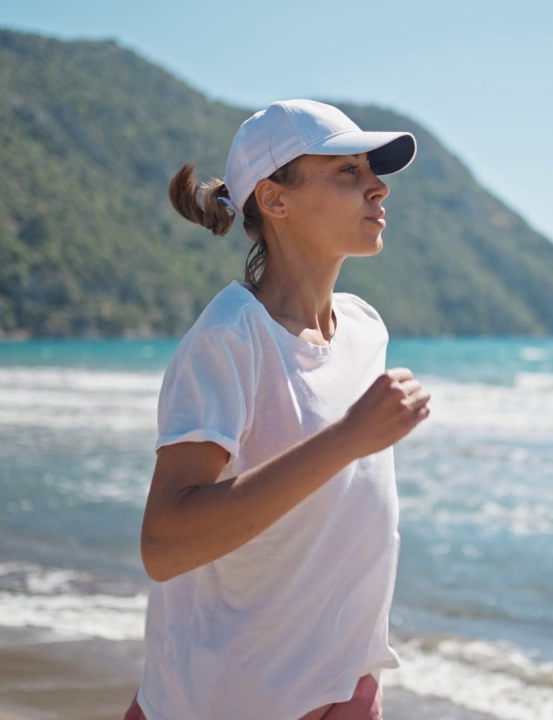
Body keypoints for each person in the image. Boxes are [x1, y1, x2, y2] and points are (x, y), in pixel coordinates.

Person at [126, 99, 430, 720]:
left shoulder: (365, 329)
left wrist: (362, 686)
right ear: (274, 199)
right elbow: (164, 544)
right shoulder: (231, 339)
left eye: (370, 170)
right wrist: (349, 437)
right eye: (347, 172)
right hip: (227, 702)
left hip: (342, 688)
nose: (377, 187)